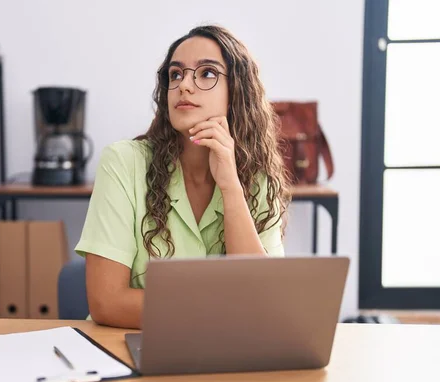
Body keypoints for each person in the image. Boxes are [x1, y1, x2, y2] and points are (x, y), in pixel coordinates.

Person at [74, 25, 291, 329]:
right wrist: (224, 310)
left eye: (206, 73)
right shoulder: (123, 163)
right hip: (126, 345)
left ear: (237, 92)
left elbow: (264, 298)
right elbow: (107, 303)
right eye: (176, 75)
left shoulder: (260, 178)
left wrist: (230, 187)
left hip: (226, 353)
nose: (184, 86)